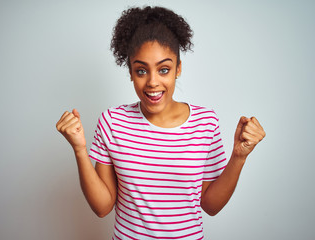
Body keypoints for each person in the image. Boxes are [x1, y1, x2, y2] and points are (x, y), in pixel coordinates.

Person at [56, 6, 265, 240]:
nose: (153, 82)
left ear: (178, 68)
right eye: (142, 70)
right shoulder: (112, 122)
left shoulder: (206, 123)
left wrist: (239, 157)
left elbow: (210, 206)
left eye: (163, 69)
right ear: (131, 72)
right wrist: (79, 150)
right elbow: (103, 207)